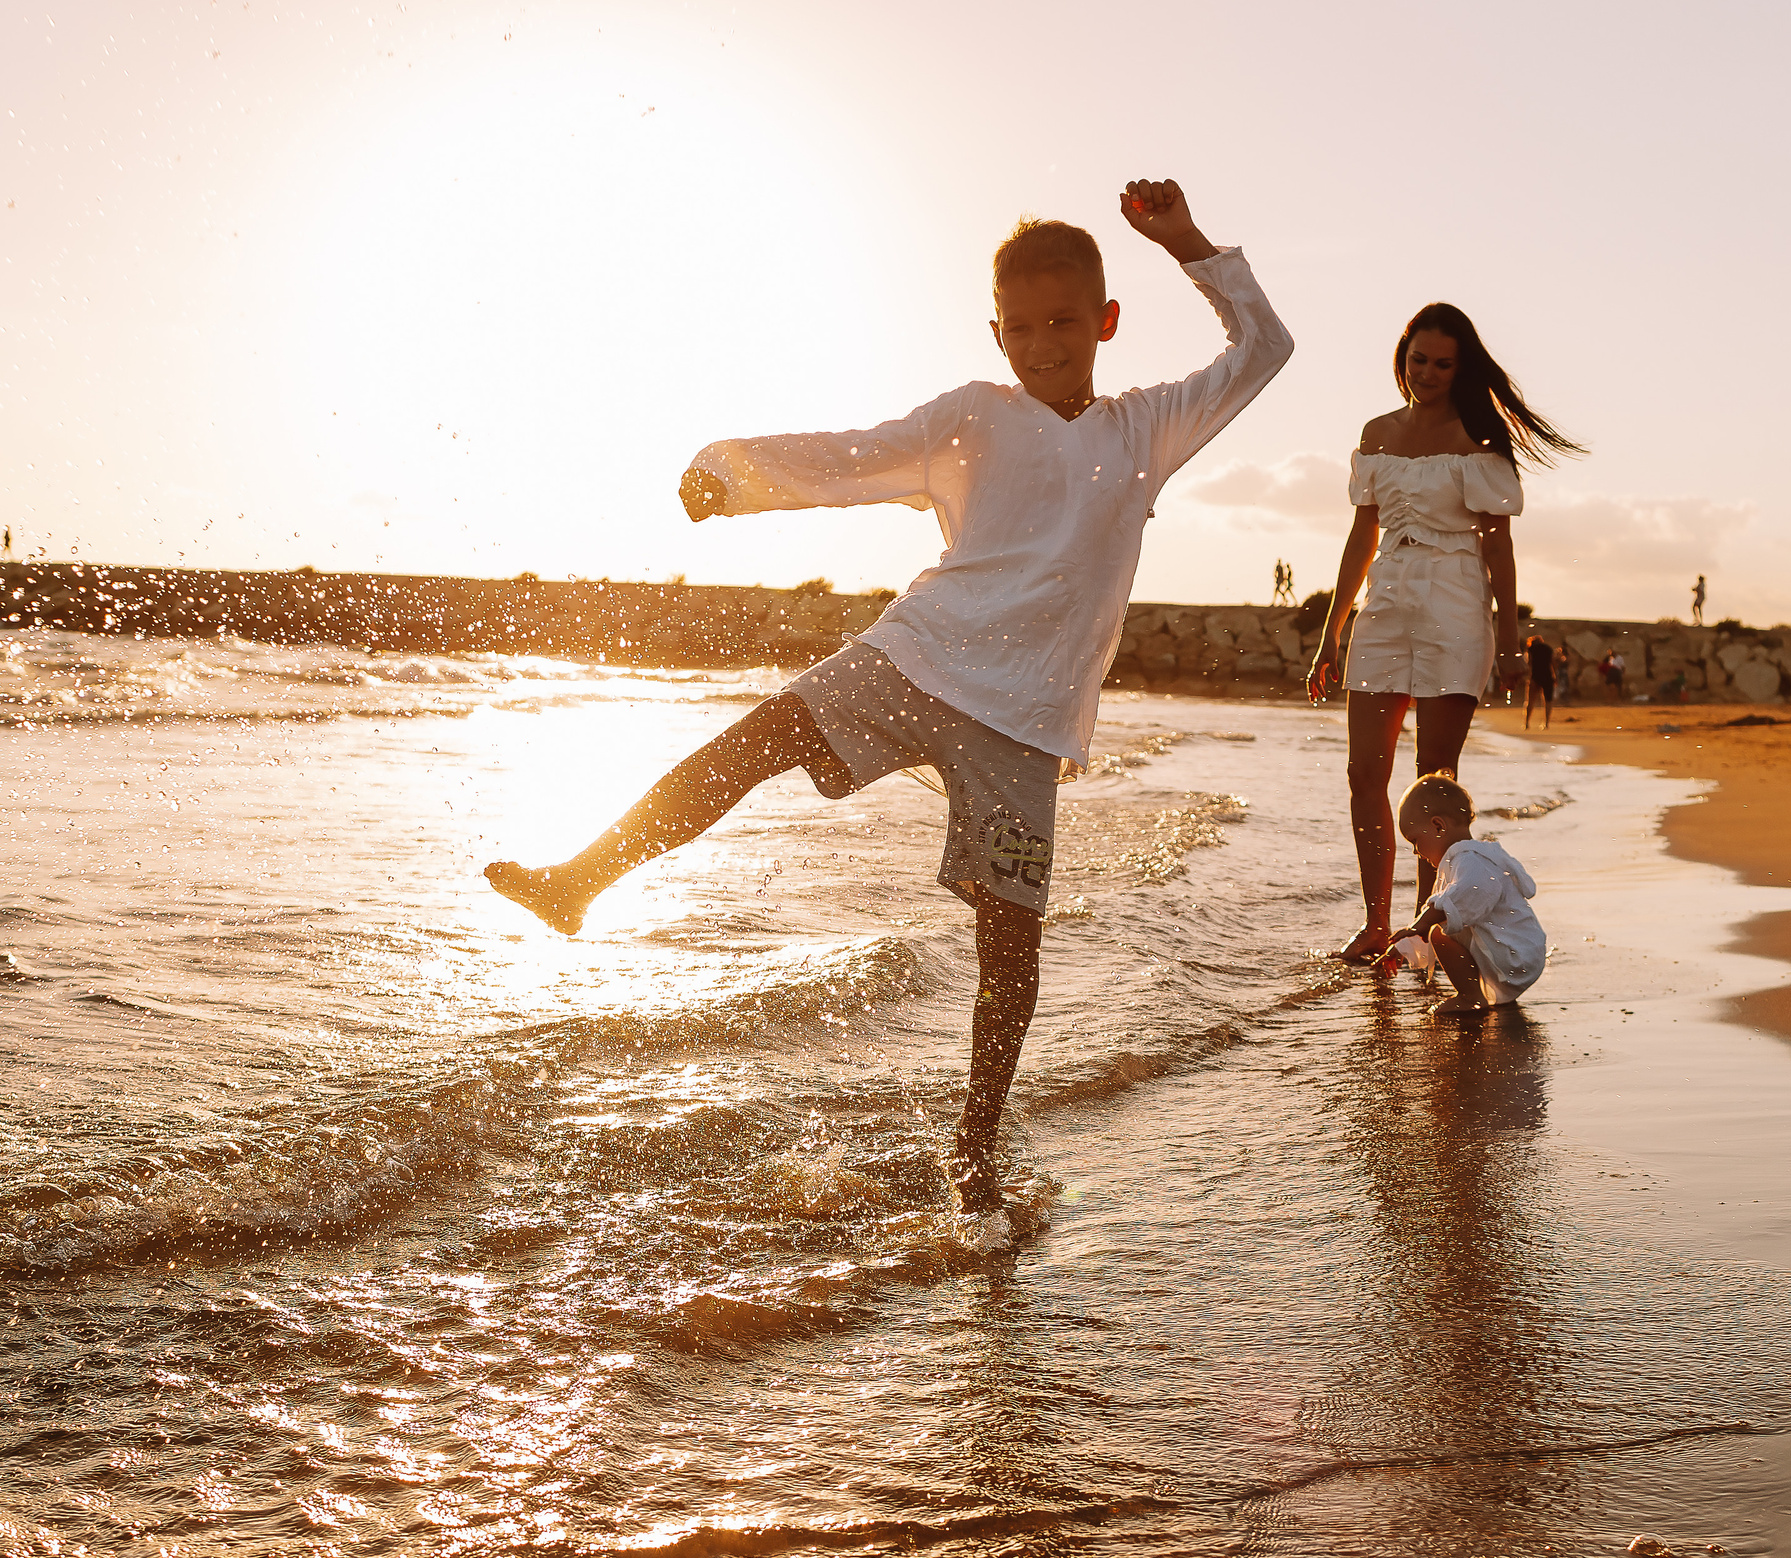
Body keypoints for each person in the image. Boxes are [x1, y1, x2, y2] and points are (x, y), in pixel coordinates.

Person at [482, 178, 1293, 1219]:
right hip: (917, 658)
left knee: (1011, 942)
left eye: (1064, 324)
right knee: (753, 742)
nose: (1043, 346)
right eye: (1021, 328)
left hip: (1025, 725)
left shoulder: (1145, 429)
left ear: (1105, 322)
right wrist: (731, 474)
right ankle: (581, 879)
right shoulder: (971, 417)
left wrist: (1186, 243)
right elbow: (853, 459)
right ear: (993, 332)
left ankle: (975, 1151)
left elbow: (1260, 349)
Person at [1305, 303, 1584, 965]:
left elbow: (1500, 550)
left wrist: (1511, 642)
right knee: (1362, 772)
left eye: (1442, 363)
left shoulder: (1478, 443)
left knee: (1435, 781)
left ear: (1462, 369)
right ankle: (1376, 923)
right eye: (1417, 359)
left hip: (1456, 604)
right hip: (1388, 599)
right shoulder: (1376, 433)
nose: (1426, 372)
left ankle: (1423, 928)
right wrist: (1332, 630)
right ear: (1401, 358)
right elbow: (1361, 537)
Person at [1388, 772, 1545, 1016]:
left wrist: (1423, 923)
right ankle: (1483, 996)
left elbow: (1466, 896)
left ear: (1438, 826)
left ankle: (1470, 997)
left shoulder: (1470, 861)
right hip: (1519, 953)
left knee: (1438, 932)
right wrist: (1403, 947)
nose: (1415, 852)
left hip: (1513, 956)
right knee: (1444, 920)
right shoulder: (1470, 858)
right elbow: (1452, 907)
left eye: (1415, 840)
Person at [1523, 632, 1557, 728]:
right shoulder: (1548, 649)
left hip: (1535, 676)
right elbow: (1553, 664)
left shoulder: (1531, 649)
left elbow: (1529, 663)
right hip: (1548, 676)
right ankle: (1546, 723)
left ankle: (1526, 723)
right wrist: (1555, 677)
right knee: (1548, 701)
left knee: (1530, 701)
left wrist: (1528, 677)